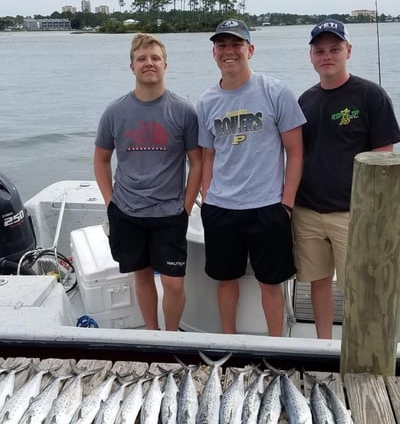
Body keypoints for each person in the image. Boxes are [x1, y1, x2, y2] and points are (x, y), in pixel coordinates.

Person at [294, 18, 400, 339]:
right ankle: (324, 345)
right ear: (311, 56)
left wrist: (373, 211)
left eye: (334, 49)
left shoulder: (371, 96)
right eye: (320, 51)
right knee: (318, 281)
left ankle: (360, 345)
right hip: (308, 211)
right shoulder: (305, 100)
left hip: (352, 212)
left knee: (358, 285)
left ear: (348, 51)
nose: (327, 56)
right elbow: (296, 153)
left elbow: (384, 154)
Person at [196, 18, 305, 337]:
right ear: (214, 54)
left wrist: (286, 204)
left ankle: (276, 348)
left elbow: (295, 151)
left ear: (250, 50)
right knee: (225, 280)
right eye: (222, 45)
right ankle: (228, 343)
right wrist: (207, 200)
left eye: (236, 44)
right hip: (221, 208)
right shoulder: (206, 102)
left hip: (268, 207)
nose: (229, 51)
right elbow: (208, 154)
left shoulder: (276, 92)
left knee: (270, 284)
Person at [94, 33, 202, 331]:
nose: (149, 63)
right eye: (142, 59)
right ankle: (153, 335)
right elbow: (101, 159)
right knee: (141, 276)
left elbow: (198, 162)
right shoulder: (115, 111)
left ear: (165, 64)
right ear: (132, 67)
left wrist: (187, 205)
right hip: (127, 212)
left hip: (170, 213)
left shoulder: (183, 111)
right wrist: (110, 201)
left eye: (155, 58)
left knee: (174, 283)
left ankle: (171, 335)